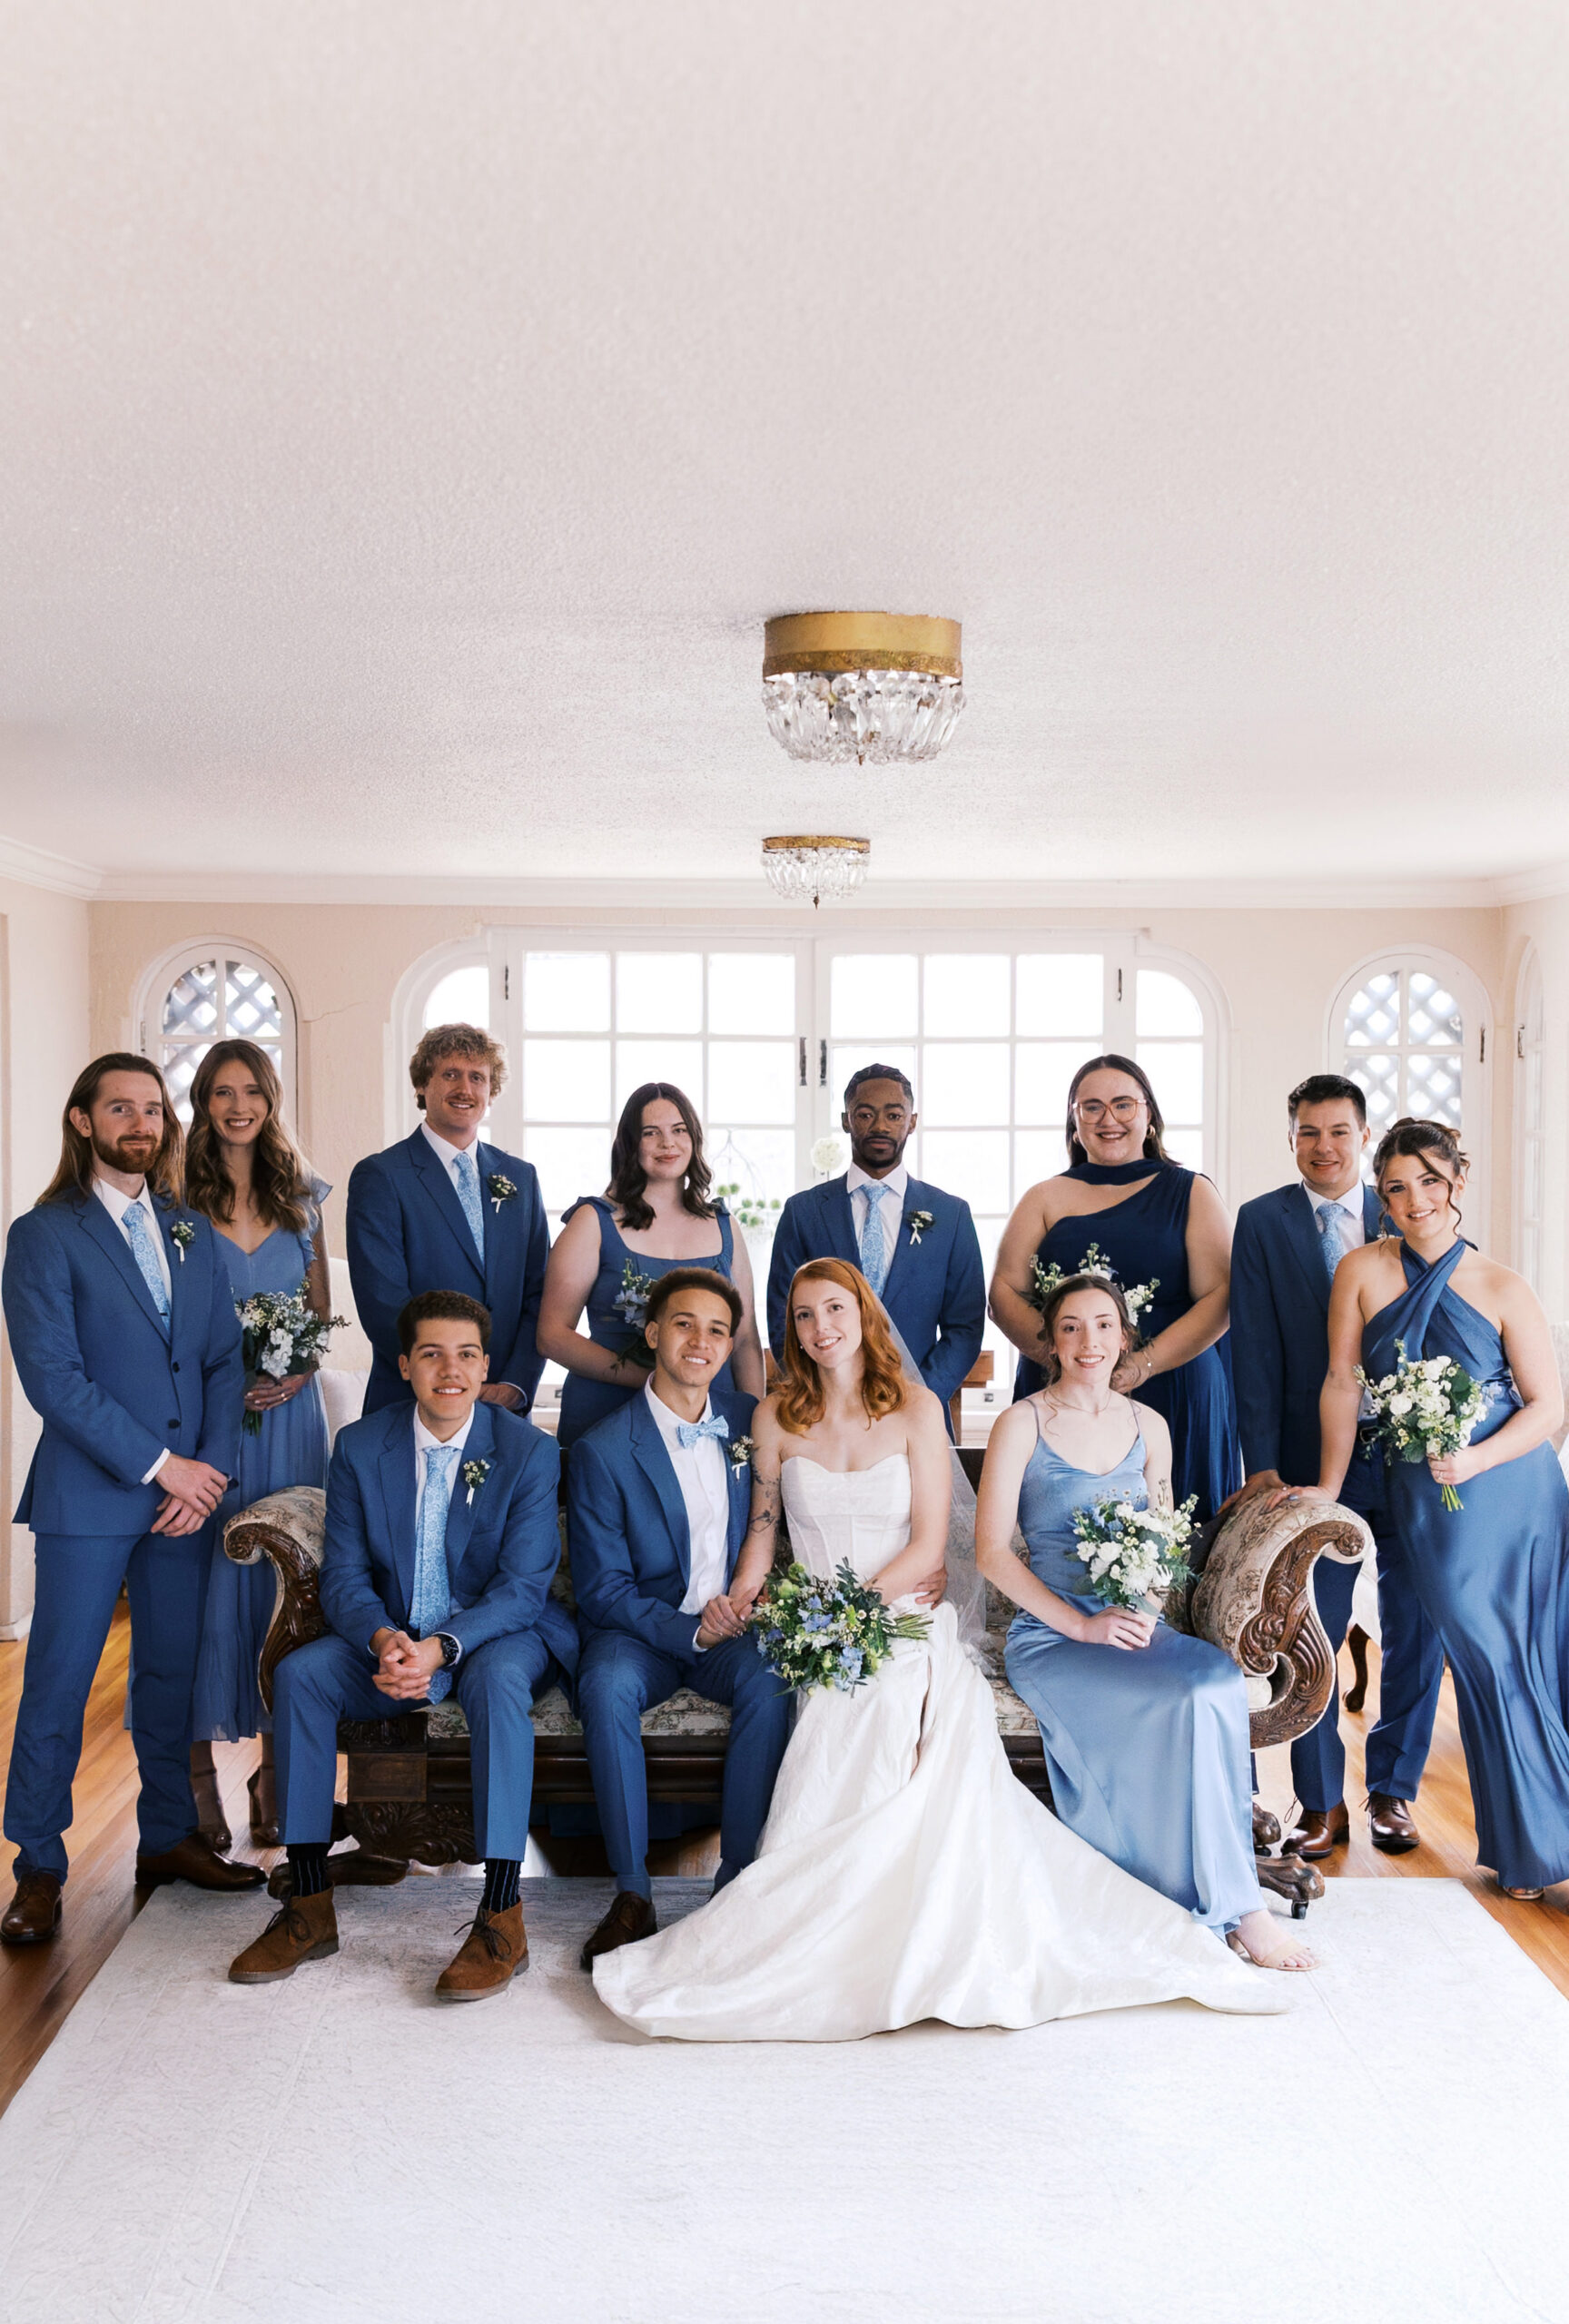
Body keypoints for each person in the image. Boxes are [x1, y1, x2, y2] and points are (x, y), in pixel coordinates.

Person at [592, 1258, 1285, 2042]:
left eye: (836, 1309)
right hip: (817, 1621)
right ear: (792, 1329)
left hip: (899, 1616)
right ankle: (808, 1914)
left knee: (885, 1695)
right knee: (832, 1698)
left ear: (863, 1315)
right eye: (806, 1315)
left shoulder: (918, 1410)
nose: (823, 1328)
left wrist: (856, 1611)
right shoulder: (774, 1415)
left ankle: (887, 1922)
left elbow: (930, 1551)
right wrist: (744, 1597)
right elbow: (762, 1534)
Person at [227, 1291, 577, 1998]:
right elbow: (348, 1577)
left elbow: (521, 1588)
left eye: (467, 1355)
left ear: (485, 1368)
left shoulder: (529, 1452)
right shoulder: (361, 1445)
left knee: (502, 1682)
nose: (451, 1370)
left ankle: (503, 1916)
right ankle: (309, 1905)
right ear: (405, 1366)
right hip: (389, 1636)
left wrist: (440, 1648)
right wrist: (386, 1639)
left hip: (493, 1637)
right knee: (302, 1676)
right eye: (432, 1354)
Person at [1, 1055, 262, 1947]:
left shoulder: (190, 1231)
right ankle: (37, 1861)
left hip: (187, 1502)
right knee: (61, 1681)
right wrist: (165, 1466)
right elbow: (55, 1383)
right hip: (92, 1496)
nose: (141, 1123)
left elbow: (226, 1357)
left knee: (168, 1674)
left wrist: (211, 1473)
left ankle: (166, 1837)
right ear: (83, 1121)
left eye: (153, 1108)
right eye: (121, 1108)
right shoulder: (43, 1235)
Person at [981, 1273, 1311, 1971]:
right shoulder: (1022, 1423)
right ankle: (1217, 1905)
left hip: (1133, 1623)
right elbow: (990, 1554)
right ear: (1050, 1341)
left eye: (1103, 1325)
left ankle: (1231, 1894)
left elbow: (1162, 1543)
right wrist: (1080, 1627)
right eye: (1070, 1326)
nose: (1088, 1341)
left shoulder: (1149, 1426)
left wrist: (1147, 1611)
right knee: (1181, 1697)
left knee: (1216, 1680)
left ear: (1124, 1337)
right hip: (1053, 1636)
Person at [1287, 1117, 1569, 1902]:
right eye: (1397, 1187)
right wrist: (1331, 1490)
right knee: (1485, 1658)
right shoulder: (1362, 1271)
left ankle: (1542, 1847)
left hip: (1513, 1493)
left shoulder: (1504, 1285)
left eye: (1430, 1183)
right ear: (1382, 1195)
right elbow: (1343, 1383)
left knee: (1532, 1654)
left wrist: (1476, 1457)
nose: (1415, 1201)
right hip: (1422, 1493)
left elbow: (1551, 1409)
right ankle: (1538, 1844)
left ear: (1459, 1182)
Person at [1229, 1074, 1443, 1859]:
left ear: (1362, 1135)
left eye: (1339, 1131)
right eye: (1309, 1132)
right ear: (1292, 1140)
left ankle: (1393, 1793)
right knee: (1310, 1627)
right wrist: (1264, 1466)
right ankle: (1320, 1803)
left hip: (1413, 1460)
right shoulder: (1261, 1222)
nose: (1324, 1146)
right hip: (1309, 1461)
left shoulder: (1408, 1210)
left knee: (1419, 1629)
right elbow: (1251, 1351)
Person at [567, 1268, 793, 1970]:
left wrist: (741, 1609)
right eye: (685, 1324)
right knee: (602, 1691)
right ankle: (632, 1893)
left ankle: (736, 1883)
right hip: (640, 1633)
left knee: (775, 1680)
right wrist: (688, 1631)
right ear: (654, 1333)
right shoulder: (603, 1449)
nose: (702, 1340)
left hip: (733, 1627)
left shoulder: (749, 1418)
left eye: (719, 1330)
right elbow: (602, 1589)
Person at [183, 1038, 335, 1850]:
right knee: (202, 1591)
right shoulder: (175, 1200)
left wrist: (298, 1372)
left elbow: (319, 1314)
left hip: (285, 1420)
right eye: (221, 1092)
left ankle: (277, 1774)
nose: (238, 1105)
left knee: (292, 1587)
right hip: (208, 1421)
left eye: (252, 1090)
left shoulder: (304, 1197)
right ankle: (199, 1774)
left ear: (271, 1100)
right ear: (203, 1102)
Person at [990, 1053, 1240, 1520]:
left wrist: (1142, 1365)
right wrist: (1068, 1361)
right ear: (1074, 1122)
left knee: (1178, 1541)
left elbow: (1222, 1297)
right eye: (1092, 1107)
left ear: (1149, 1116)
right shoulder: (1044, 1197)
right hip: (1066, 1389)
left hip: (1174, 1382)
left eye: (1124, 1105)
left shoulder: (1192, 1191)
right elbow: (1003, 1293)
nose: (1109, 1120)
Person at [539, 1081, 765, 1448]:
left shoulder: (725, 1226)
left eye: (679, 1130)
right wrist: (653, 1378)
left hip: (710, 1414)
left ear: (694, 1138)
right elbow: (551, 1336)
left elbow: (744, 1341)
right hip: (609, 1410)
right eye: (651, 1133)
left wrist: (756, 1424)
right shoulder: (593, 1221)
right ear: (631, 1144)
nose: (668, 1143)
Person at [766, 1064, 984, 1439]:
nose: (880, 1125)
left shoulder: (951, 1215)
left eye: (893, 1114)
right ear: (846, 1120)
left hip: (918, 1416)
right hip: (824, 1416)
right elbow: (781, 1317)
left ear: (911, 1121)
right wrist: (823, 1394)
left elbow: (964, 1326)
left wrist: (917, 1398)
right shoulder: (803, 1213)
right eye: (865, 1114)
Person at [346, 1020, 548, 1417]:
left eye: (478, 1077)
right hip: (411, 1405)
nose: (465, 1089)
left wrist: (515, 1383)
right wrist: (454, 1380)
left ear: (491, 1092)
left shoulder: (520, 1178)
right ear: (422, 1085)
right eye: (450, 1074)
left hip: (503, 1409)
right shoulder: (382, 1176)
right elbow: (383, 1303)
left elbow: (540, 1292)